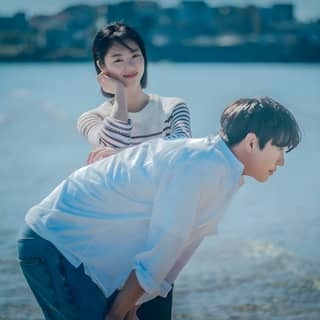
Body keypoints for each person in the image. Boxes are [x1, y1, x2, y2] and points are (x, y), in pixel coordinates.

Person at [17, 97, 301, 320]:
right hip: (55, 241)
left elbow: (177, 254)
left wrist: (131, 305)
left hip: (82, 251)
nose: (282, 162)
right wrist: (118, 312)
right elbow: (165, 246)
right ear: (252, 142)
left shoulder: (226, 173)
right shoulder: (198, 165)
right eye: (279, 150)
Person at [77, 22, 191, 164]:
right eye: (118, 60)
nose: (130, 66)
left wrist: (125, 155)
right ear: (101, 66)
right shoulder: (92, 119)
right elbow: (114, 145)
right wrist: (120, 93)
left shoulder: (173, 107)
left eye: (135, 56)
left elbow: (183, 148)